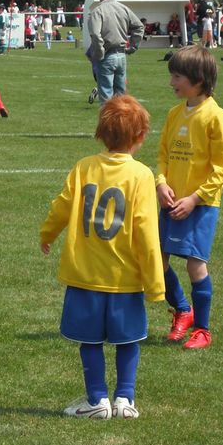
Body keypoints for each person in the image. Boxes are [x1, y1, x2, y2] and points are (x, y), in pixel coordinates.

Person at [39, 95, 165, 419]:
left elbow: (62, 206)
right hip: (125, 277)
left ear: (100, 133)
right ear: (140, 137)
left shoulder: (85, 167)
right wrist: (155, 283)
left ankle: (97, 399)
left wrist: (47, 234)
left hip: (86, 274)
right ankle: (125, 400)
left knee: (89, 340)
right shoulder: (141, 175)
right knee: (129, 340)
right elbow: (147, 231)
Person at [155, 45, 223, 350]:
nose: (171, 82)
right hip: (170, 202)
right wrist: (161, 182)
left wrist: (194, 198)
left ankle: (202, 329)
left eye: (177, 76)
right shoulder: (174, 113)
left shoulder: (217, 118)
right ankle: (182, 310)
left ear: (198, 79)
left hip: (200, 205)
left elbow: (222, 168)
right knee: (156, 261)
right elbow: (163, 155)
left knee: (194, 266)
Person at [86, 0, 143, 104]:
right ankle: (121, 123)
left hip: (106, 56)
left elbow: (95, 34)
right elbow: (139, 27)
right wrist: (133, 47)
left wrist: (99, 53)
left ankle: (108, 124)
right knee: (121, 98)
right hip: (121, 55)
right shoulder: (123, 9)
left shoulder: (97, 11)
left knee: (106, 99)